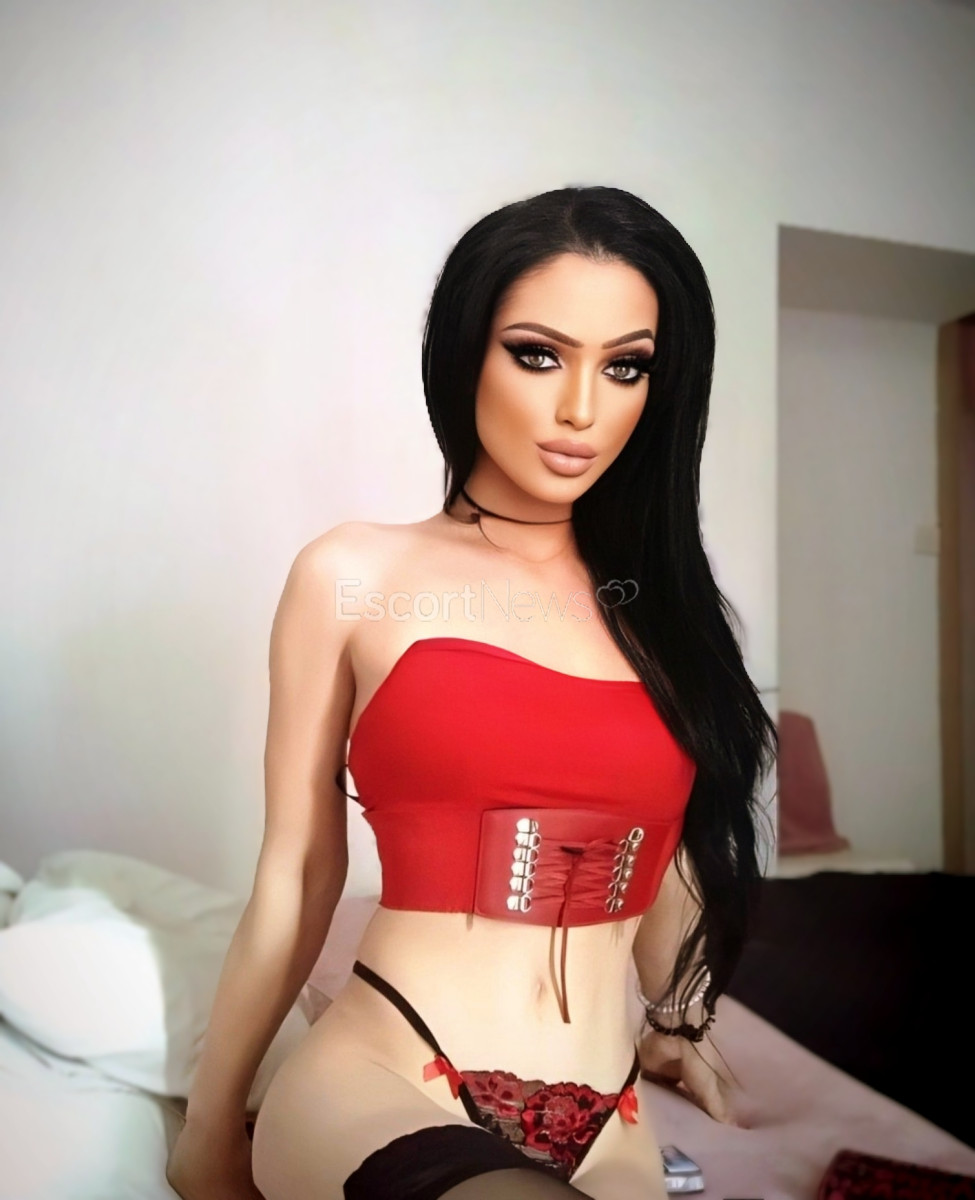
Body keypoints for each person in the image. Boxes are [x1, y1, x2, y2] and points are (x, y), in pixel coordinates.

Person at [165, 185, 777, 1200]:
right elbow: (302, 871)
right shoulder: (354, 574)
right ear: (465, 354)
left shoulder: (662, 612)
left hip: (610, 1116)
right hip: (390, 1077)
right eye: (537, 354)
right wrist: (210, 1123)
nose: (581, 409)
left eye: (625, 366)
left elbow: (668, 852)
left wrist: (679, 1018)